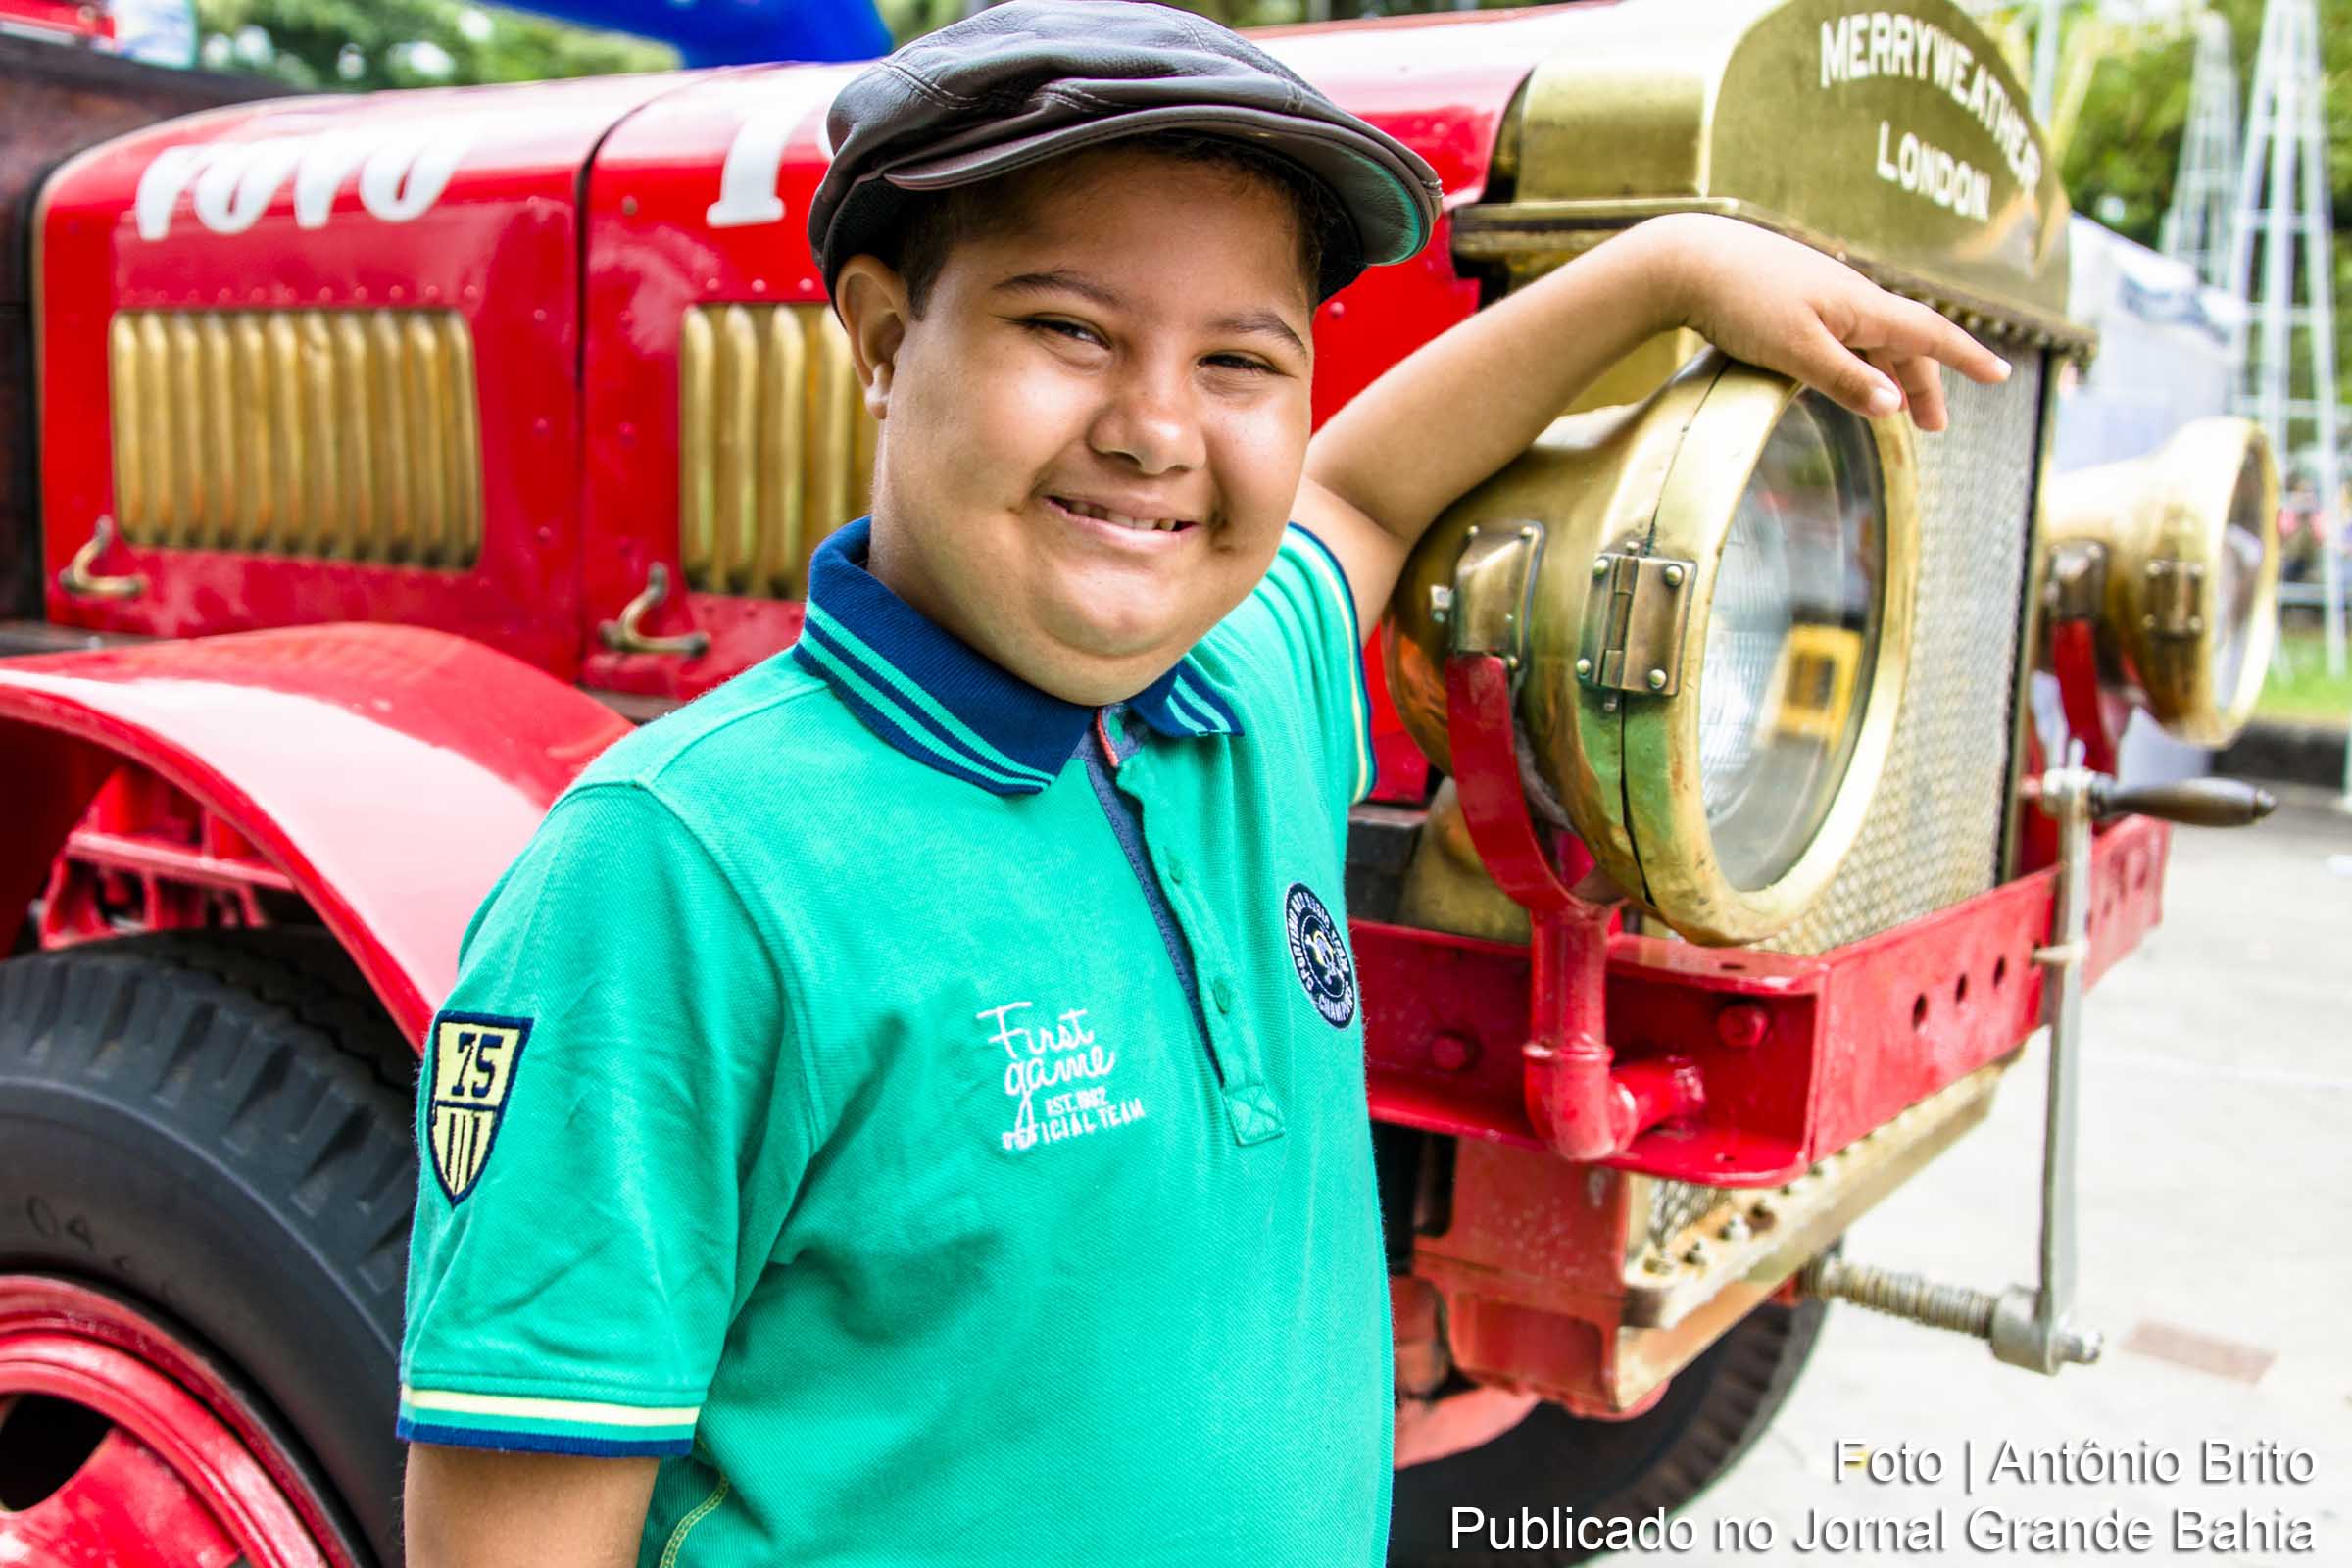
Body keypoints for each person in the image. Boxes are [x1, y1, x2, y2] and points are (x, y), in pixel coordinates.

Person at [396, 3, 2007, 1563]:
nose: (1159, 429)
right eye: (1070, 331)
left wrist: (1662, 270)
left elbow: (1367, 490)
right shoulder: (677, 876)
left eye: (1242, 363)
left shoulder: (1248, 704)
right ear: (887, 343)